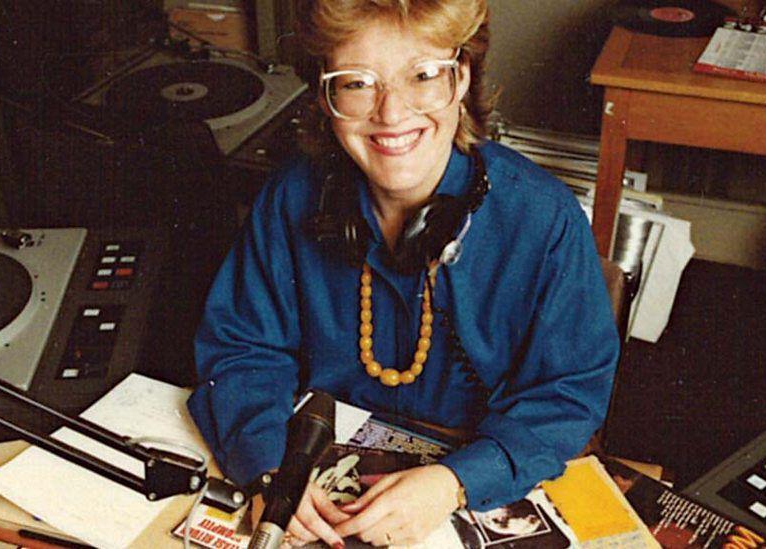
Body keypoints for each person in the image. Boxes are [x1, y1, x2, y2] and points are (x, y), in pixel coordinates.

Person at [187, 0, 619, 546]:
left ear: (461, 78)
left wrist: (455, 482)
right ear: (326, 95)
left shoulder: (545, 218)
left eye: (422, 75)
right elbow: (242, 348)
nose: (391, 113)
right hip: (317, 486)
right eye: (358, 83)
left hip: (457, 494)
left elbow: (568, 393)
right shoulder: (290, 195)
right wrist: (270, 467)